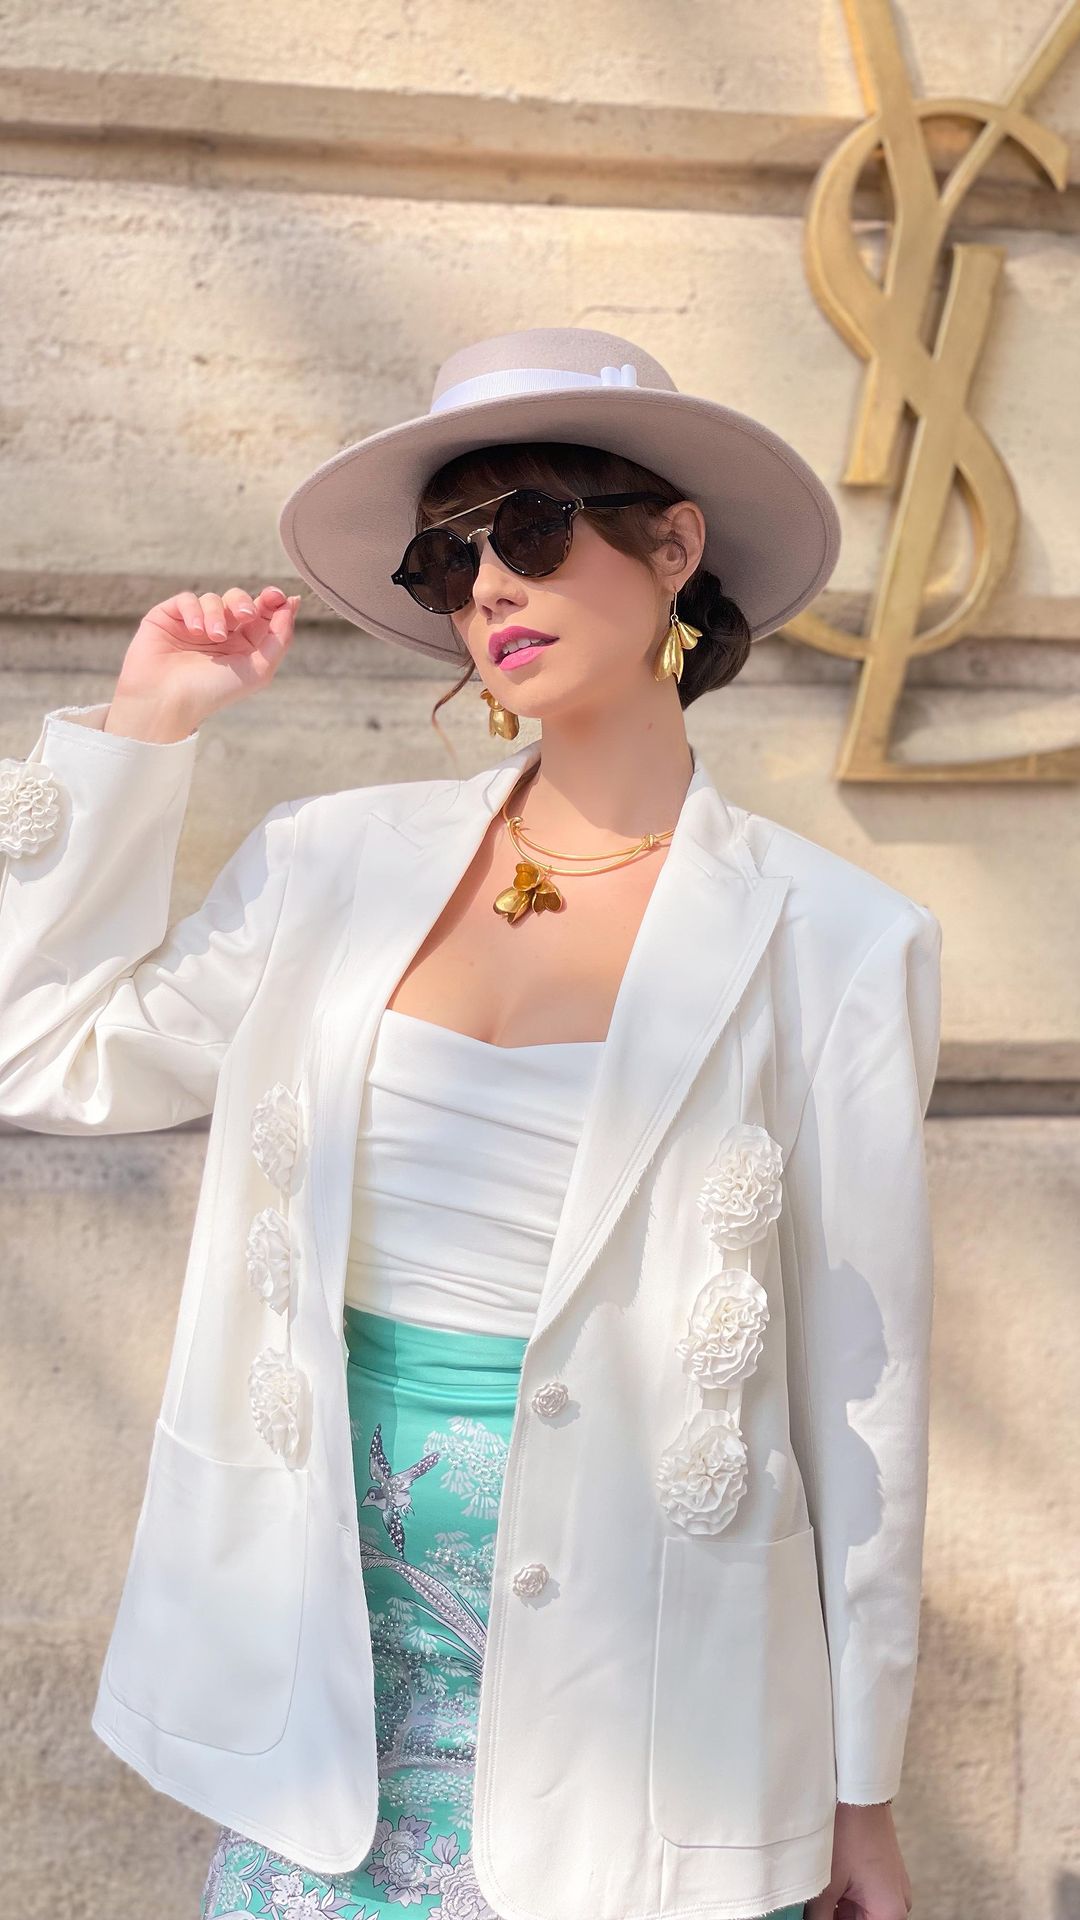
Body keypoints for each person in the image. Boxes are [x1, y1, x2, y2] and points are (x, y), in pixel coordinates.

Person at [0, 327, 939, 1920]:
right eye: (451, 557)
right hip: (325, 1675)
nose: (490, 584)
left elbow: (864, 1404)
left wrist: (862, 1794)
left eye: (533, 529)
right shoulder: (332, 864)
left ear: (675, 546)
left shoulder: (836, 942)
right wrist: (144, 726)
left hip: (651, 1707)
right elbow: (41, 1055)